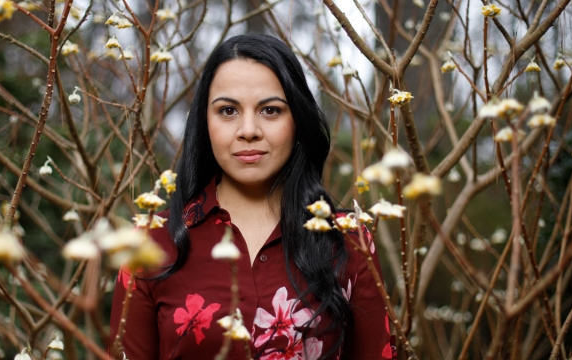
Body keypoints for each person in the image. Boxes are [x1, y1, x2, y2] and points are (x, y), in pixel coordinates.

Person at [109, 34, 393, 360]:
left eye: (270, 110)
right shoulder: (150, 243)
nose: (248, 130)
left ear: (297, 121)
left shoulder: (349, 241)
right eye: (228, 110)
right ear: (205, 122)